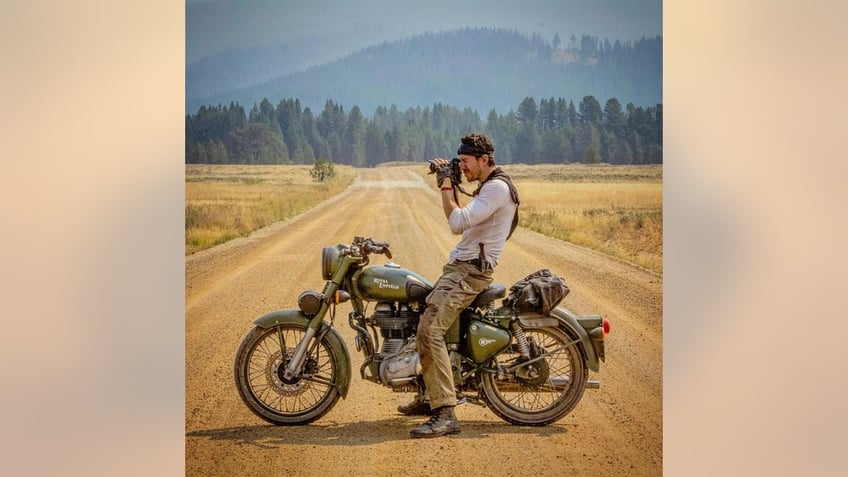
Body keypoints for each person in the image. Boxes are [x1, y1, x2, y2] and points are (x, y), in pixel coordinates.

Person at [403, 132, 520, 438]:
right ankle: (430, 394)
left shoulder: (496, 188)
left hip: (470, 273)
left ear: (485, 159)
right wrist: (450, 183)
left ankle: (444, 414)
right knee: (421, 317)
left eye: (467, 162)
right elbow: (460, 216)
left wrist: (445, 184)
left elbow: (456, 223)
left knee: (430, 330)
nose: (463, 167)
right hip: (461, 269)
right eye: (461, 162)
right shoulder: (488, 187)